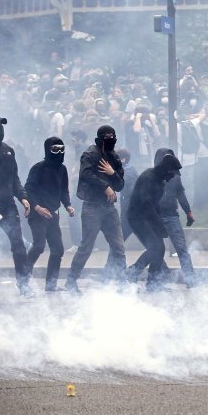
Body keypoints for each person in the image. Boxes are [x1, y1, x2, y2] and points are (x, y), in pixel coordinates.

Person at [66, 125, 126, 294]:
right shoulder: (90, 154)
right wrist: (105, 186)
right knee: (86, 246)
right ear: (100, 138)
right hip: (92, 207)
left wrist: (112, 173)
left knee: (118, 247)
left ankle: (122, 282)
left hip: (109, 209)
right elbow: (85, 174)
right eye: (107, 136)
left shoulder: (114, 157)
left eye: (113, 136)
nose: (111, 139)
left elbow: (121, 184)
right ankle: (71, 280)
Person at [126, 148, 197, 288]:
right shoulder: (148, 177)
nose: (173, 177)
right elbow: (147, 206)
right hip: (137, 218)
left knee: (159, 248)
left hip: (148, 217)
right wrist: (160, 226)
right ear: (166, 169)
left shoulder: (160, 181)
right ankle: (134, 272)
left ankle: (153, 282)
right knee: (156, 247)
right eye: (172, 173)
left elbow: (155, 206)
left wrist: (160, 224)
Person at [24, 137, 75, 292]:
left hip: (53, 214)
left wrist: (68, 205)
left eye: (61, 149)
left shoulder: (63, 169)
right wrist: (37, 207)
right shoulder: (38, 168)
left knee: (58, 249)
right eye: (55, 149)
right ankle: (23, 279)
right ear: (47, 150)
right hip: (37, 214)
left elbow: (64, 191)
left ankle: (51, 285)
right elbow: (28, 189)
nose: (59, 152)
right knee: (39, 246)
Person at [0, 113, 33, 297]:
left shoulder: (8, 150)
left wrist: (23, 197)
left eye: (1, 127)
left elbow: (14, 178)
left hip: (8, 207)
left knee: (18, 246)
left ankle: (24, 284)